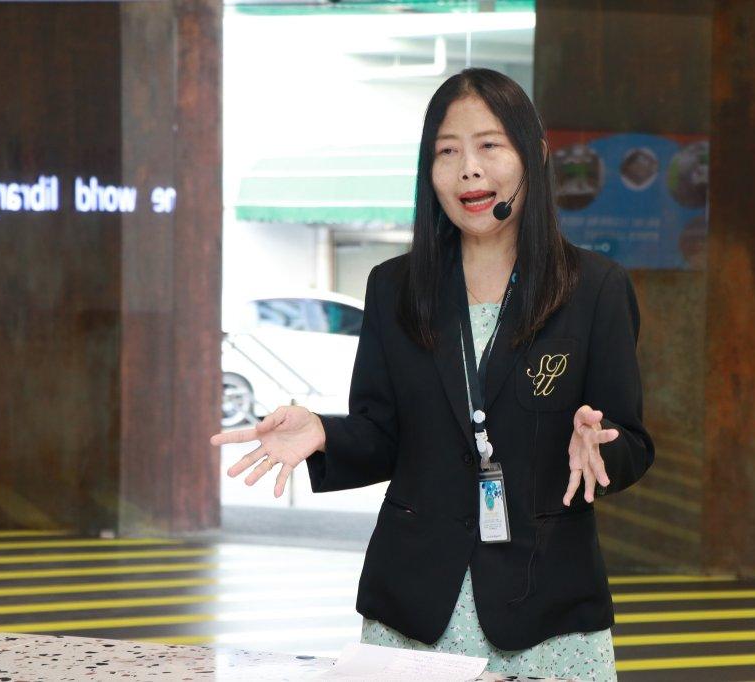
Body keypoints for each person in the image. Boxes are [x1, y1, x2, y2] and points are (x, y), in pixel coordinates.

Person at [210, 67, 654, 681]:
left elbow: (631, 442)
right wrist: (325, 433)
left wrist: (601, 446)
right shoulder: (394, 288)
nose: (469, 170)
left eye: (489, 145)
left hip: (548, 608)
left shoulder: (594, 289)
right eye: (447, 152)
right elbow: (382, 434)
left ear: (534, 154)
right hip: (414, 607)